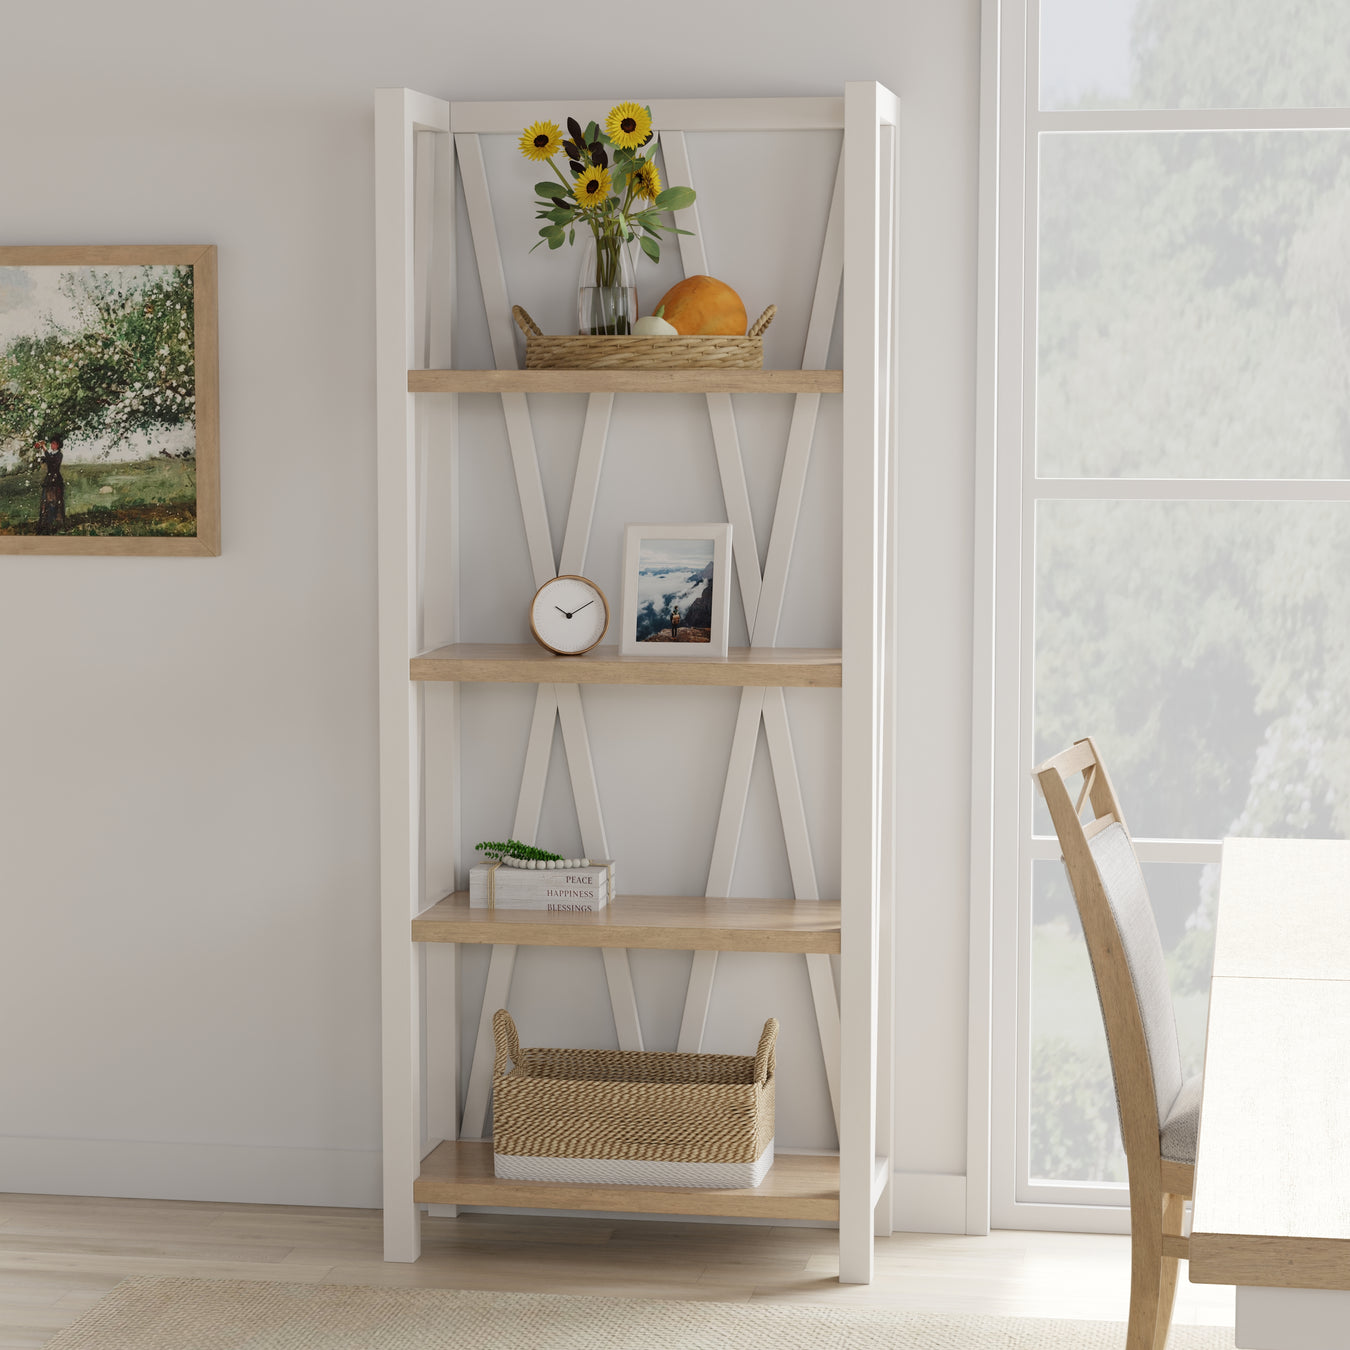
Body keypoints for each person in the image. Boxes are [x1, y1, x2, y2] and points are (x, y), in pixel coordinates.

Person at [36, 436, 66, 535]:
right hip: (49, 480)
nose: (52, 445)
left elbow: (51, 461)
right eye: (51, 443)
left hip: (56, 481)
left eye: (54, 443)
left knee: (55, 501)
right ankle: (45, 523)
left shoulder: (59, 455)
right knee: (45, 500)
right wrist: (39, 451)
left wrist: (44, 448)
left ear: (57, 445)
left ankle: (55, 524)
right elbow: (45, 459)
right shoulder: (51, 454)